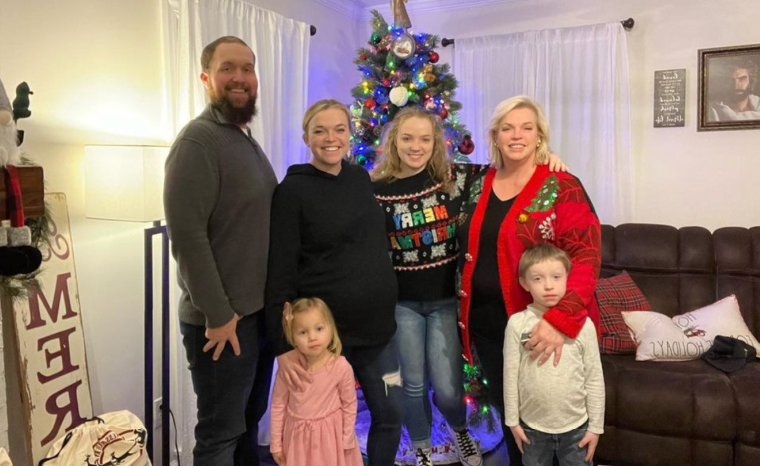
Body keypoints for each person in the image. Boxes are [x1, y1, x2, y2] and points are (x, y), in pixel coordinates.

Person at [372, 107, 566, 466]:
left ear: (436, 143)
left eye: (425, 139)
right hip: (404, 304)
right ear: (394, 141)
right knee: (413, 385)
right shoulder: (376, 189)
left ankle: (459, 429)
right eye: (407, 138)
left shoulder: (458, 178)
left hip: (447, 302)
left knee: (448, 389)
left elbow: (512, 166)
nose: (416, 146)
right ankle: (422, 449)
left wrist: (547, 158)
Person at [456, 95, 601, 466]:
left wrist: (559, 320)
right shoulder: (475, 182)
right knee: (514, 423)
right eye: (507, 128)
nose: (517, 135)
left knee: (557, 428)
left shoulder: (562, 185)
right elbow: (421, 161)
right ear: (495, 136)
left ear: (540, 136)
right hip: (489, 328)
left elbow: (586, 257)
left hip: (545, 329)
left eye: (526, 128)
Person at [266, 99, 404, 466]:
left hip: (377, 330)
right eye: (320, 131)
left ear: (349, 134)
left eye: (339, 129)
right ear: (306, 137)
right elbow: (280, 268)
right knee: (321, 426)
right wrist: (282, 344)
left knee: (390, 416)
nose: (331, 138)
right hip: (323, 340)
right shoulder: (292, 191)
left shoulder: (359, 178)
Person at [164, 36, 277, 466]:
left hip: (254, 316)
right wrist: (218, 315)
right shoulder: (198, 141)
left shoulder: (242, 138)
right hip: (222, 324)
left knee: (247, 422)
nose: (240, 77)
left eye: (247, 68)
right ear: (205, 77)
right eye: (228, 68)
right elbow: (187, 235)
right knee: (220, 435)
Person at [505, 244, 604, 466]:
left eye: (556, 277)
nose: (549, 285)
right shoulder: (516, 324)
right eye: (537, 278)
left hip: (577, 428)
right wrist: (512, 422)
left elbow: (594, 378)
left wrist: (596, 427)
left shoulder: (584, 325)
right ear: (524, 283)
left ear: (568, 277)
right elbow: (510, 375)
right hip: (532, 429)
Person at [269, 298, 364, 466]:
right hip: (298, 443)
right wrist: (276, 444)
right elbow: (278, 405)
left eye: (319, 329)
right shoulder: (289, 370)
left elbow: (349, 404)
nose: (312, 337)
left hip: (331, 440)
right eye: (303, 332)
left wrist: (347, 437)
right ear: (292, 336)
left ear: (330, 328)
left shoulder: (341, 366)